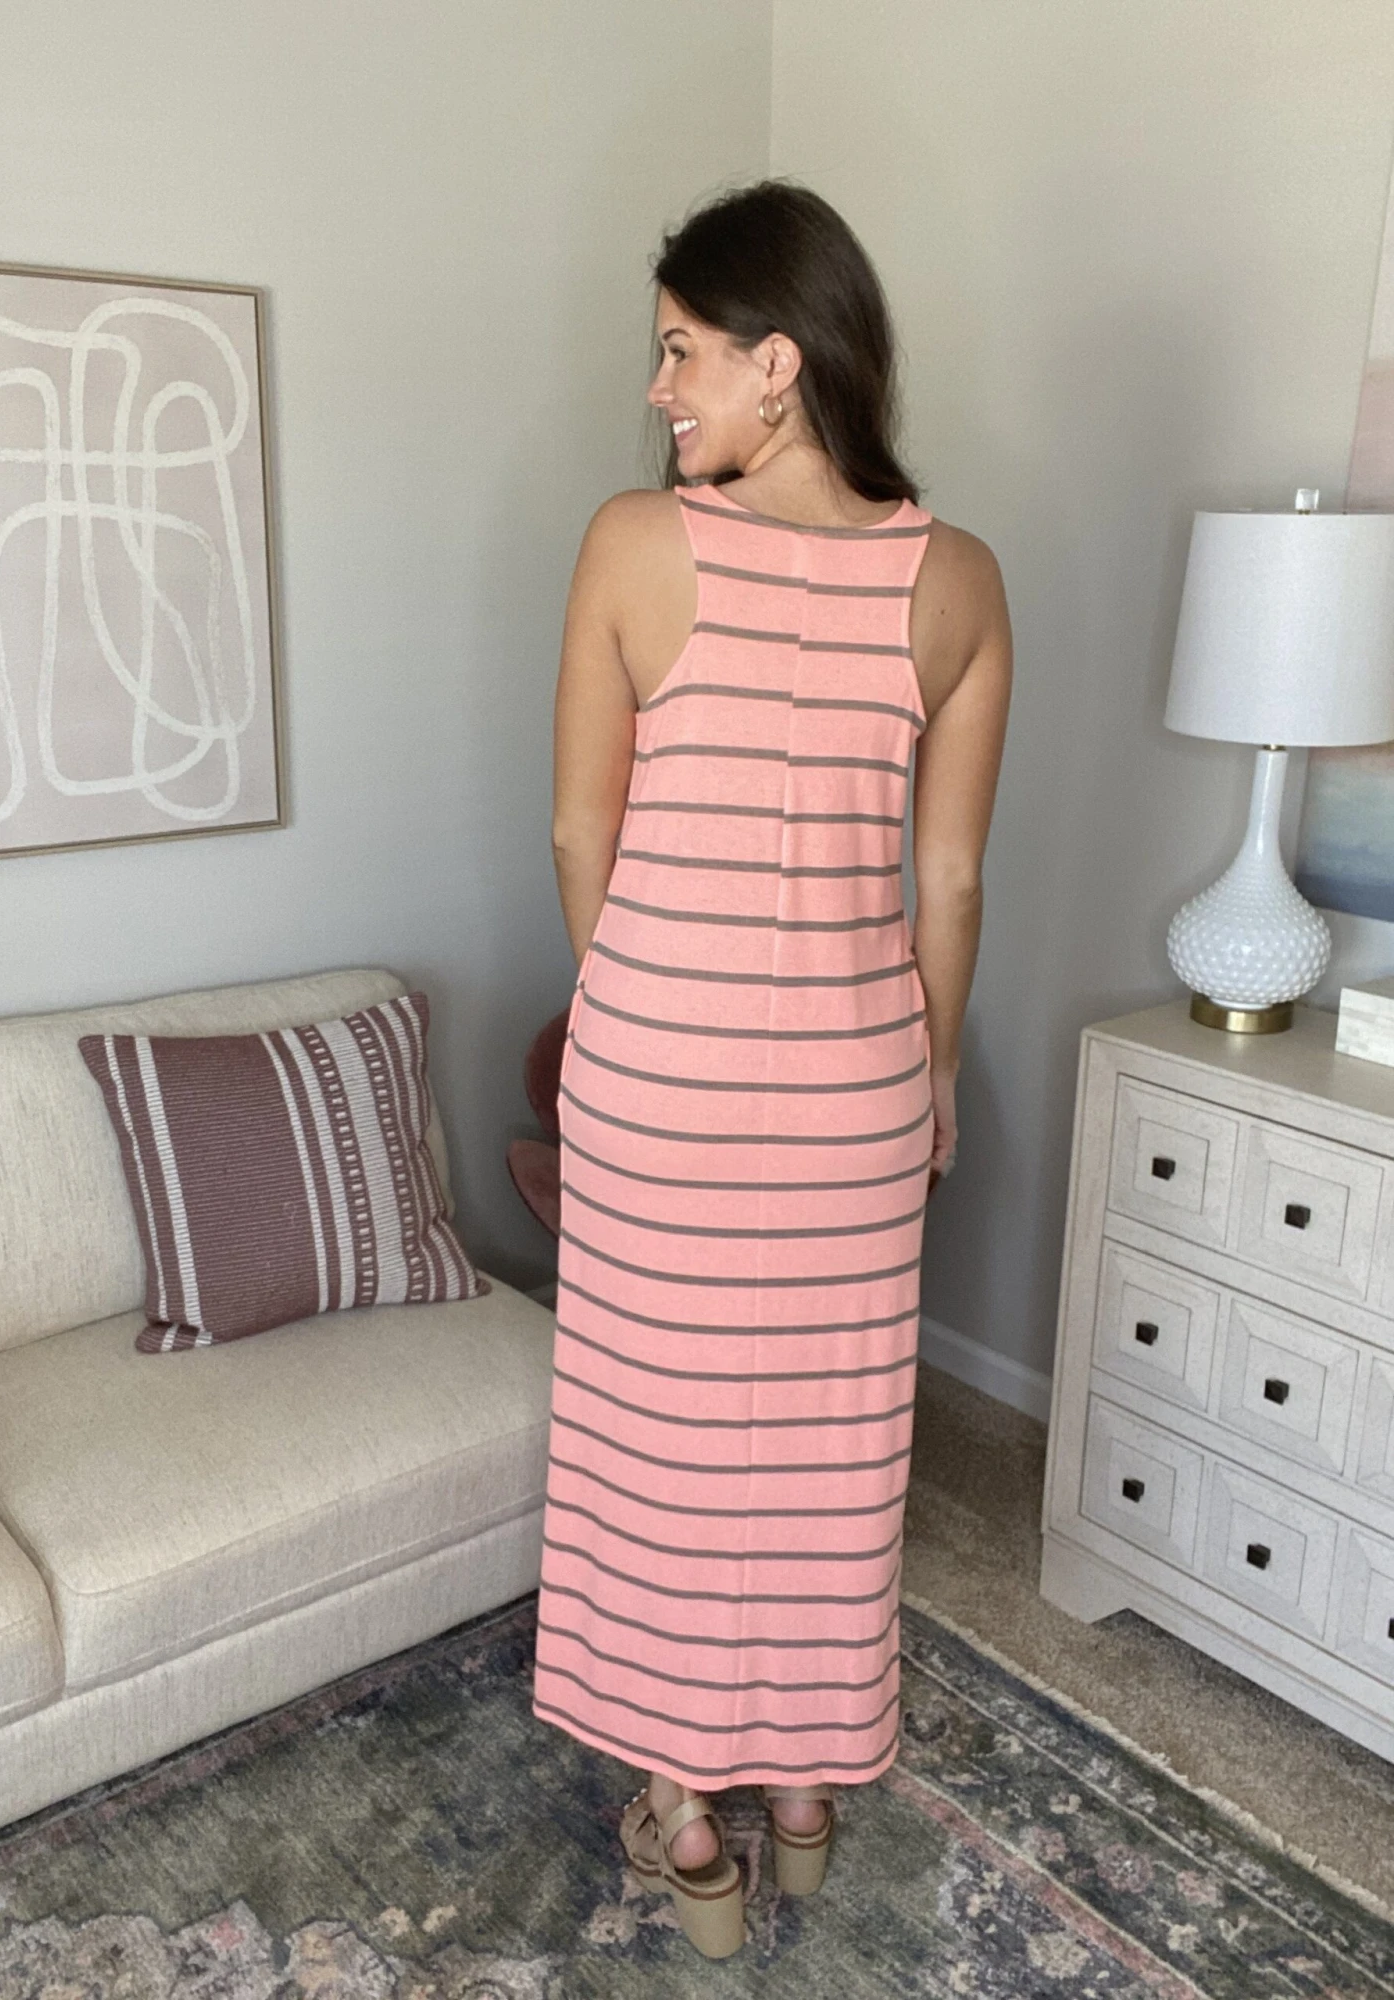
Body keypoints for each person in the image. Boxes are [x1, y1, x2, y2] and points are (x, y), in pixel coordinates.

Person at [532, 178, 1012, 1959]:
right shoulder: (959, 581)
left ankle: (685, 1812)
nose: (659, 388)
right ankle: (804, 1797)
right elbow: (947, 882)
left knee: (657, 1448)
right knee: (827, 1446)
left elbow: (581, 833)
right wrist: (930, 1073)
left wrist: (648, 1010)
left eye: (681, 351)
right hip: (856, 1095)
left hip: (657, 1080)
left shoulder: (632, 546)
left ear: (779, 364)